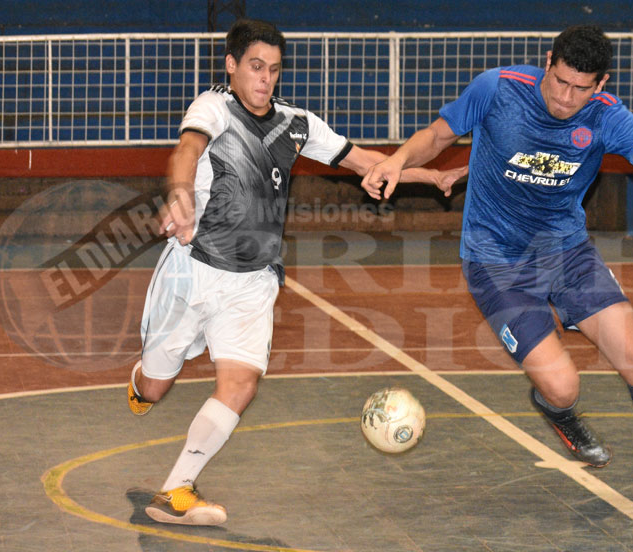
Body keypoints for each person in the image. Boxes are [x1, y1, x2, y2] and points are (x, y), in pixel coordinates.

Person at [126, 18, 465, 526]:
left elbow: (364, 161)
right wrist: (179, 193)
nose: (265, 79)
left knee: (241, 384)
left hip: (254, 281)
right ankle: (141, 383)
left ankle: (175, 491)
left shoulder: (297, 122)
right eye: (256, 67)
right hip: (192, 270)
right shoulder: (213, 107)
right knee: (154, 389)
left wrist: (428, 174)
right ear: (232, 65)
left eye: (274, 70)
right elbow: (187, 151)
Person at [362, 24, 633, 511]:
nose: (566, 98)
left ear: (600, 85)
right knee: (563, 387)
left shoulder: (607, 116)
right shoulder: (498, 88)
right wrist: (397, 160)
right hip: (495, 260)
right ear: (548, 62)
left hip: (566, 252)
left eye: (580, 88)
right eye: (560, 81)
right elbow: (438, 134)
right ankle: (558, 412)